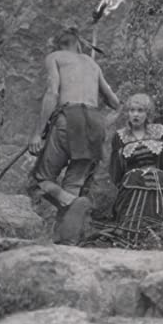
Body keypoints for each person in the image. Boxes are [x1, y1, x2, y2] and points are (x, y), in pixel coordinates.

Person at [29, 27, 121, 244]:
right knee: (73, 184)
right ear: (79, 43)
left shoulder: (55, 57)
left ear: (58, 45)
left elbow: (52, 92)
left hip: (69, 117)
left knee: (40, 180)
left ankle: (69, 202)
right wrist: (103, 124)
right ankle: (65, 240)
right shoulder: (93, 64)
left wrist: (37, 134)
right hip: (95, 121)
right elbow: (116, 104)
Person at [107, 93, 163, 247]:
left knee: (155, 218)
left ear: (148, 113)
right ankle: (128, 242)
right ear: (127, 113)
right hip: (131, 186)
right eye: (132, 110)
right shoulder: (120, 136)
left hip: (155, 185)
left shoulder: (159, 132)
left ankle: (154, 242)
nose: (135, 114)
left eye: (140, 110)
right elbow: (116, 167)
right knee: (130, 218)